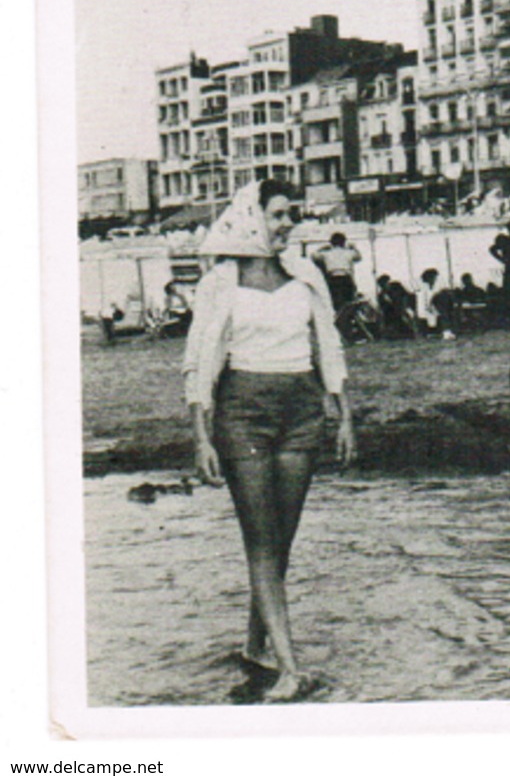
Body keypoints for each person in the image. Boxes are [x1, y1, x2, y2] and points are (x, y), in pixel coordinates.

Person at [183, 179, 354, 702]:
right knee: (260, 543)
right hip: (242, 414)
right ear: (252, 217)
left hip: (302, 412)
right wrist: (201, 435)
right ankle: (290, 668)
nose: (288, 224)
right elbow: (200, 358)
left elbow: (329, 344)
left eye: (291, 215)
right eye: (278, 215)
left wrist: (345, 416)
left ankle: (257, 646)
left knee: (281, 543)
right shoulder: (220, 281)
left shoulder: (306, 274)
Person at [311, 232, 362, 309]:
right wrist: (353, 247)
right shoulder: (348, 252)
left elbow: (314, 256)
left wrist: (323, 248)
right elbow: (358, 257)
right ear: (343, 242)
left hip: (333, 278)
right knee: (349, 301)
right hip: (346, 278)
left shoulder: (326, 253)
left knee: (336, 302)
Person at [416, 268, 455, 339]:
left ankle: (445, 331)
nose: (435, 280)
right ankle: (445, 331)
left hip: (433, 309)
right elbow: (425, 304)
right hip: (425, 312)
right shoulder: (423, 289)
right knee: (442, 312)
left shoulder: (433, 288)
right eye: (433, 277)